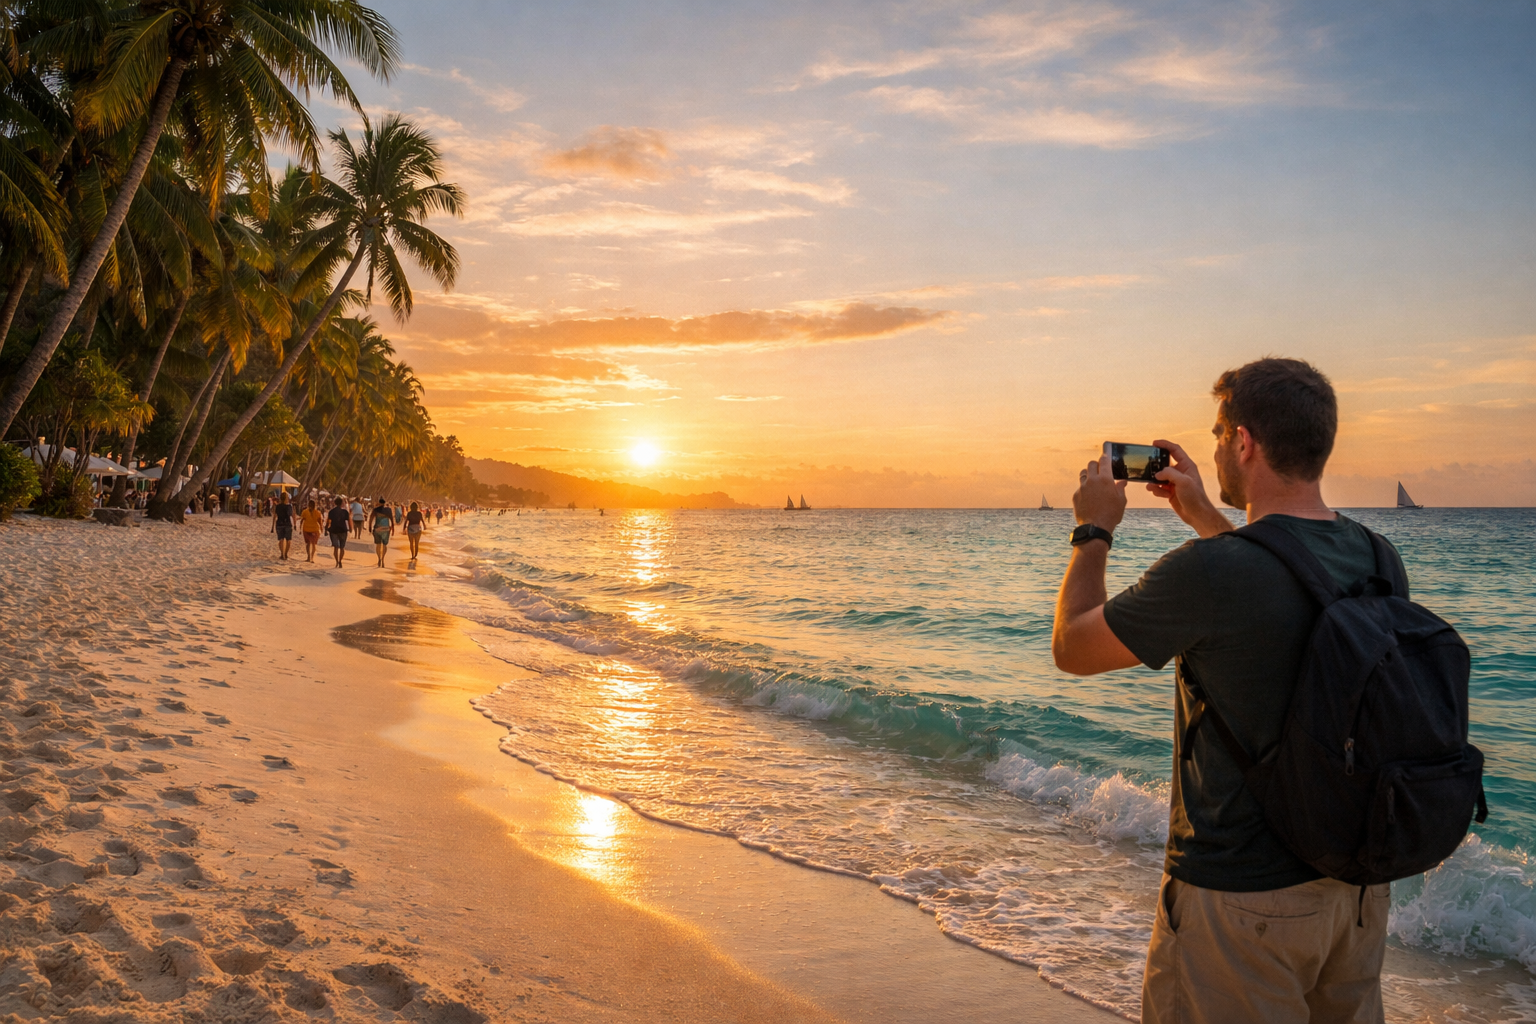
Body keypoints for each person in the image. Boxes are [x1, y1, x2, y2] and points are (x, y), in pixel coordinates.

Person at [1051, 358, 1403, 1024]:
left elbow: (1073, 647)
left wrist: (1094, 530)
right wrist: (1207, 515)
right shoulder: (1378, 556)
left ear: (1244, 442)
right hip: (1355, 892)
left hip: (1243, 899)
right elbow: (1285, 603)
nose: (1213, 450)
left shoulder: (1211, 573)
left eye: (1218, 436)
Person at [326, 496, 352, 568]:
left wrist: (326, 529)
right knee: (342, 547)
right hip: (343, 530)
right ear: (342, 503)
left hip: (333, 530)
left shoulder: (331, 511)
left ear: (335, 503)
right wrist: (350, 528)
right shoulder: (345, 512)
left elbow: (328, 521)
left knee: (336, 547)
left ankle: (337, 561)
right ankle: (340, 561)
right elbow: (349, 521)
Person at [370, 496, 394, 568]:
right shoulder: (388, 510)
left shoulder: (375, 510)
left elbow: (371, 519)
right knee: (384, 545)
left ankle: (379, 559)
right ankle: (383, 559)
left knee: (378, 545)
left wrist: (369, 527)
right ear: (385, 503)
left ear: (379, 503)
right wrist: (393, 529)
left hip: (377, 529)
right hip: (386, 529)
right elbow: (392, 520)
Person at [271, 492, 295, 560]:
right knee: (288, 540)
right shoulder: (289, 506)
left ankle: (282, 554)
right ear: (287, 498)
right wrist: (295, 524)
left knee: (281, 540)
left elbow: (274, 516)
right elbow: (291, 515)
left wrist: (272, 527)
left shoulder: (278, 506)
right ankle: (286, 554)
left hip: (279, 524)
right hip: (287, 524)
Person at [299, 498, 323, 563]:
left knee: (308, 544)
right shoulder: (318, 513)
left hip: (306, 529)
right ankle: (312, 557)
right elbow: (320, 522)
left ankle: (308, 557)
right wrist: (321, 529)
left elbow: (302, 520)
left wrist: (300, 528)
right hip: (315, 530)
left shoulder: (305, 512)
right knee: (313, 544)